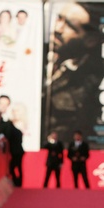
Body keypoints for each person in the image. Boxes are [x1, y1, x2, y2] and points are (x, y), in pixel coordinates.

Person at [46, 2, 102, 141]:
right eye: (59, 18)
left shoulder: (88, 84)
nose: (57, 29)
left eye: (70, 25)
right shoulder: (39, 57)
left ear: (90, 40)